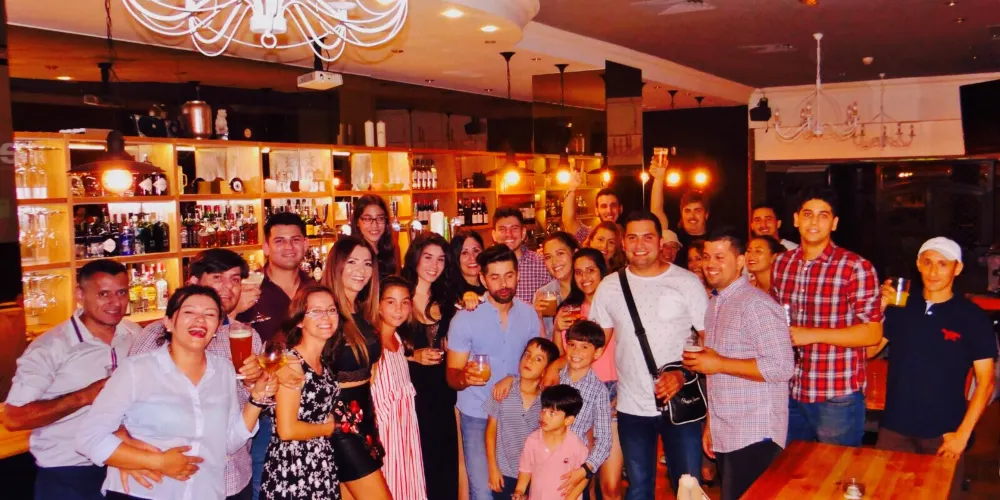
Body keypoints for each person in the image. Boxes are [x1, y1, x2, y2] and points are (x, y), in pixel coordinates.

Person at [75, 285, 276, 500]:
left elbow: (227, 442)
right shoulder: (137, 369)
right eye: (189, 312)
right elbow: (89, 438)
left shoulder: (224, 370)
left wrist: (256, 399)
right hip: (146, 492)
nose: (200, 320)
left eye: (210, 315)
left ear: (217, 327)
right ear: (168, 322)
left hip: (204, 493)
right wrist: (158, 462)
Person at [588, 211, 708, 497]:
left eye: (647, 237)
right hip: (631, 406)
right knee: (639, 490)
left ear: (660, 241)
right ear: (623, 243)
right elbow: (594, 343)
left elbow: (709, 342)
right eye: (632, 237)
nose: (639, 245)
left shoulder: (687, 282)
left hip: (681, 401)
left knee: (688, 487)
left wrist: (682, 373)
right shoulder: (609, 286)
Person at [129, 249, 264, 500]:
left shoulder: (246, 335)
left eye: (235, 279)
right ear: (193, 282)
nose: (228, 287)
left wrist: (253, 384)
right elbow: (125, 407)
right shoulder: (158, 334)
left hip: (233, 474)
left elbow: (250, 409)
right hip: (173, 477)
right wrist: (132, 457)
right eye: (217, 277)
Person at [5, 260, 142, 500]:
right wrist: (83, 397)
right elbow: (14, 417)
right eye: (103, 294)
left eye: (121, 292)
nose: (115, 302)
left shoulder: (135, 334)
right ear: (80, 295)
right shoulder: (50, 347)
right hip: (69, 472)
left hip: (126, 464)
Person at [872, 237, 997, 497]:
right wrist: (878, 309)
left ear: (957, 268)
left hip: (944, 432)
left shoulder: (972, 317)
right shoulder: (901, 306)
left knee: (940, 494)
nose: (933, 271)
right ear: (918, 264)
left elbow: (986, 383)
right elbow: (869, 351)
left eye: (942, 264)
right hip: (894, 427)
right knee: (887, 492)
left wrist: (962, 435)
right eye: (927, 262)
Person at [682, 229, 795, 500]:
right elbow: (715, 373)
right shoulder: (715, 304)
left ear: (741, 261)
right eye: (707, 256)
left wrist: (719, 363)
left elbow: (781, 367)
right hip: (727, 429)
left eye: (720, 257)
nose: (710, 264)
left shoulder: (756, 305)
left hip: (755, 433)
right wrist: (711, 424)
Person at [772, 188, 883, 447]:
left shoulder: (855, 267)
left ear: (834, 223)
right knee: (789, 466)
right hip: (789, 387)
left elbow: (872, 332)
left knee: (836, 467)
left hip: (836, 392)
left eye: (823, 216)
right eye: (807, 214)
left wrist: (812, 334)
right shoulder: (781, 264)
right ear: (796, 219)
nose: (814, 222)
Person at [447, 244, 542, 500]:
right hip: (478, 414)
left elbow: (540, 365)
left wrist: (514, 378)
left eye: (509, 275)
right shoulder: (465, 319)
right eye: (495, 277)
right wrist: (465, 377)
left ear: (518, 275)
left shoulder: (530, 315)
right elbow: (452, 376)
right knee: (482, 493)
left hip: (518, 416)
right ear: (483, 279)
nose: (503, 284)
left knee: (520, 490)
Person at [236, 211, 314, 499]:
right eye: (280, 241)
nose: (289, 247)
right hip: (264, 415)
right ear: (266, 247)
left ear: (306, 244)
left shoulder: (316, 289)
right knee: (263, 489)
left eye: (295, 239)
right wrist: (234, 307)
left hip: (310, 410)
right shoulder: (247, 290)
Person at [321, 236, 390, 499]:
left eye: (367, 263)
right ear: (336, 265)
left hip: (364, 416)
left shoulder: (361, 312)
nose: (361, 270)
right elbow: (296, 356)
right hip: (339, 423)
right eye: (352, 262)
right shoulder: (324, 310)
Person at [260, 284, 341, 500]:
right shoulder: (292, 363)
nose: (326, 316)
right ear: (299, 320)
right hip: (293, 468)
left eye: (331, 310)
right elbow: (286, 430)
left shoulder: (322, 361)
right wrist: (327, 428)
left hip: (318, 462)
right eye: (316, 311)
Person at [559, 248, 624, 500]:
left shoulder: (618, 306)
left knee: (610, 485)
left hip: (612, 391)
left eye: (590, 270)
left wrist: (625, 390)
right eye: (578, 272)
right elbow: (559, 357)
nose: (584, 277)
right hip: (576, 395)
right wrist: (555, 328)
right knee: (580, 483)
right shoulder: (570, 311)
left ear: (602, 272)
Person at [402, 233, 462, 500]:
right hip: (409, 397)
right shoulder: (396, 297)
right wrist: (412, 356)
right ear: (415, 258)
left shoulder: (449, 301)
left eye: (440, 259)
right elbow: (380, 349)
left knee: (443, 468)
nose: (434, 265)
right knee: (416, 469)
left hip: (442, 395)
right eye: (428, 257)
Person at [372, 276, 427, 499]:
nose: (399, 309)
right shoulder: (373, 345)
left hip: (405, 433)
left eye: (404, 302)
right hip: (384, 436)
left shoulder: (398, 339)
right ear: (377, 305)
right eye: (390, 302)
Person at [484, 338, 560, 500]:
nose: (529, 360)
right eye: (527, 354)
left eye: (538, 359)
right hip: (504, 473)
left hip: (536, 474)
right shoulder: (502, 390)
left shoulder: (547, 401)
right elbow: (491, 430)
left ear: (546, 370)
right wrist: (493, 468)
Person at [556, 320, 613, 498]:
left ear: (598, 352)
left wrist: (585, 469)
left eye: (584, 347)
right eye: (572, 344)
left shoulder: (598, 391)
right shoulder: (555, 378)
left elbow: (604, 440)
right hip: (543, 459)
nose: (576, 352)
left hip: (574, 467)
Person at [512, 385, 589, 500]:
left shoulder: (577, 446)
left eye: (552, 413)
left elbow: (583, 479)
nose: (544, 416)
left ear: (568, 420)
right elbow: (525, 471)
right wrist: (519, 492)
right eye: (544, 409)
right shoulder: (532, 440)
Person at [492, 206, 548, 304]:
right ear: (494, 235)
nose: (508, 234)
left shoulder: (542, 264)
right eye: (502, 229)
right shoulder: (485, 267)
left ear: (523, 232)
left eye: (514, 229)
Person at [536, 232, 580, 338]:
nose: (554, 261)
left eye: (560, 253)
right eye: (548, 257)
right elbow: (543, 341)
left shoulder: (588, 286)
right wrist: (537, 317)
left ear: (575, 253)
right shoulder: (543, 294)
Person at [562, 170, 624, 243]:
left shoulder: (629, 236)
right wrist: (572, 188)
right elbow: (568, 221)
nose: (609, 210)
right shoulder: (589, 235)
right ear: (596, 211)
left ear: (620, 208)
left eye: (613, 206)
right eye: (604, 206)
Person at [352, 194, 399, 279]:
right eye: (367, 219)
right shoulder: (351, 253)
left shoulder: (390, 250)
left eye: (380, 218)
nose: (374, 225)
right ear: (357, 222)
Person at [673, 191, 711, 269]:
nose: (692, 215)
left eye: (697, 211)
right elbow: (657, 211)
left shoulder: (715, 240)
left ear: (706, 215)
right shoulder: (673, 239)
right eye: (687, 211)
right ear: (681, 214)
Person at [452, 230, 487, 301]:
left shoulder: (492, 283)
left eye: (476, 251)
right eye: (465, 253)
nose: (472, 257)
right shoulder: (451, 294)